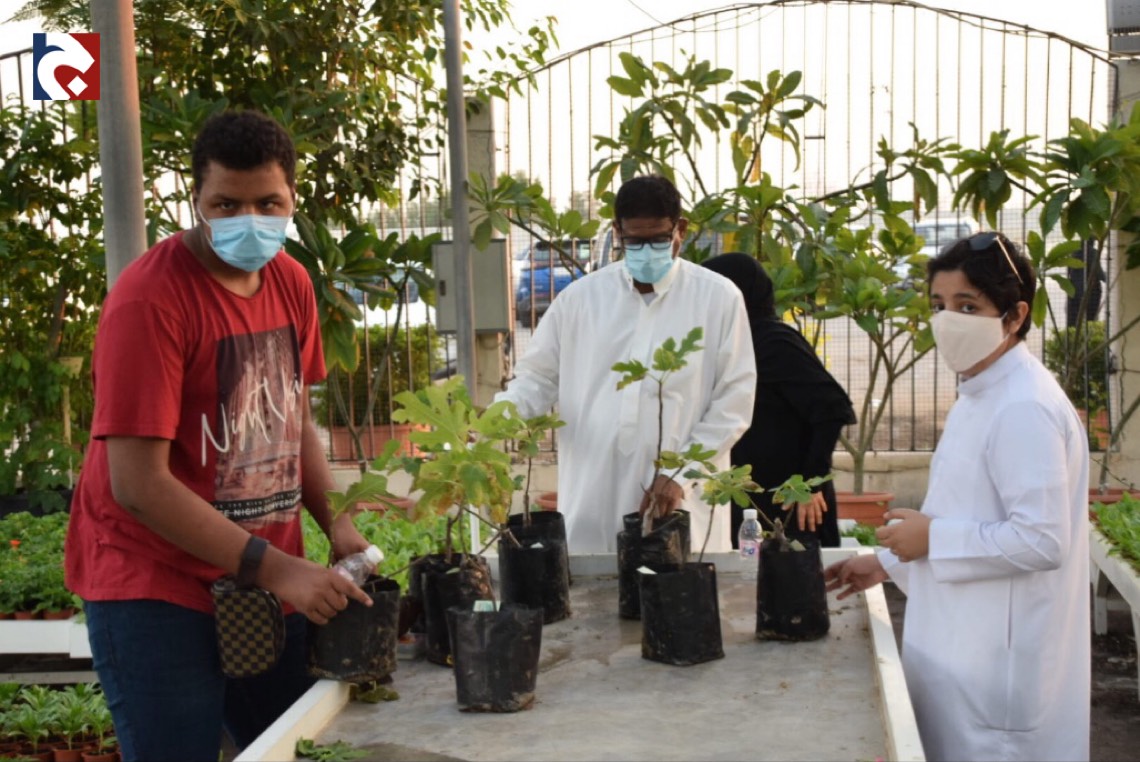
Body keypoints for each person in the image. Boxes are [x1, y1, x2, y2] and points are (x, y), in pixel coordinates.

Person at [65, 111, 374, 762]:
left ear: (292, 200)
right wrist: (280, 569)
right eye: (226, 204)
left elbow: (294, 420)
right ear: (196, 200)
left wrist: (337, 522)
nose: (249, 219)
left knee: (296, 745)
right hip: (158, 588)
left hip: (262, 580)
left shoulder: (291, 281)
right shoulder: (150, 301)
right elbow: (138, 486)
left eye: (268, 203)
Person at [824, 231, 1090, 762]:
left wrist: (933, 538)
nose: (948, 320)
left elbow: (1042, 540)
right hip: (961, 648)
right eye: (939, 305)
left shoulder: (1024, 406)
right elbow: (969, 511)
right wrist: (886, 562)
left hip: (996, 671)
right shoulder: (983, 389)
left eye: (968, 306)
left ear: (1014, 316)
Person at [496, 175, 756, 553]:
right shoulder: (581, 300)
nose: (646, 251)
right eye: (634, 241)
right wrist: (494, 422)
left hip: (680, 497)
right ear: (617, 232)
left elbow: (734, 400)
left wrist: (680, 474)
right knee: (593, 580)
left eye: (659, 240)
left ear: (680, 230)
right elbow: (537, 378)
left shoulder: (717, 298)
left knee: (680, 582)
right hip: (593, 493)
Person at [700, 253, 855, 548]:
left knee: (795, 571)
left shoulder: (773, 342)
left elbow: (832, 409)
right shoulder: (733, 342)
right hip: (750, 495)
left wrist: (809, 483)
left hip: (791, 500)